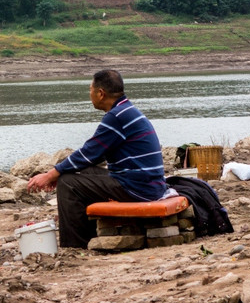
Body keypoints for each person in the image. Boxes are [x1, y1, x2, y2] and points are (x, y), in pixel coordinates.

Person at [27, 69, 167, 248]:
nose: (89, 94)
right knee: (79, 172)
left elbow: (88, 152)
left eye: (90, 90)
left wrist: (51, 175)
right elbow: (91, 157)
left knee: (68, 183)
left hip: (138, 189)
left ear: (100, 93)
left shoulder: (116, 116)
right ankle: (92, 232)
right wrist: (59, 172)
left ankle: (75, 244)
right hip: (147, 184)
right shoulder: (125, 110)